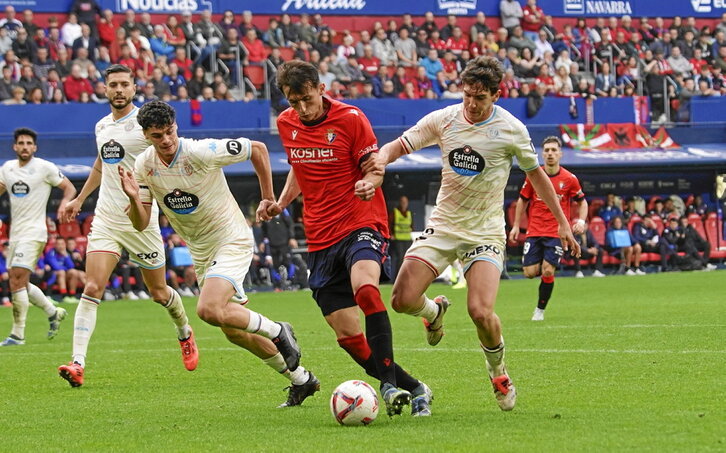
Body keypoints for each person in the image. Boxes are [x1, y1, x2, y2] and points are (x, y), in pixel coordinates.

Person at [370, 56, 580, 411]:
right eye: (467, 94)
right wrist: (380, 159)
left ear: (496, 95)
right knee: (402, 299)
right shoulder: (446, 118)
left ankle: (498, 372)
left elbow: (537, 177)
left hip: (484, 231)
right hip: (445, 225)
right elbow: (402, 144)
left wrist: (562, 221)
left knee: (480, 311)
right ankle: (433, 313)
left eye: (479, 98)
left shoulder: (511, 129)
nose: (471, 103)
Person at [120, 100, 318, 408]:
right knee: (233, 331)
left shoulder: (199, 152)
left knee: (208, 310)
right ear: (146, 135)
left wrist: (267, 197)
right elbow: (141, 221)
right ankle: (302, 380)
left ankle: (279, 330)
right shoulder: (144, 166)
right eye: (158, 136)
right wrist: (134, 199)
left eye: (170, 132)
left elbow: (258, 149)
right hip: (201, 250)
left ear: (176, 127)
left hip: (231, 238)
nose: (167, 140)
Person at [269, 60, 432, 417]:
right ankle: (414, 387)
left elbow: (375, 166)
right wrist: (281, 202)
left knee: (366, 289)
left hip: (362, 221)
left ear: (321, 88)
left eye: (307, 99)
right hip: (320, 237)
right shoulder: (287, 123)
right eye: (293, 101)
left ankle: (387, 386)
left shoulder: (351, 118)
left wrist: (368, 183)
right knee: (347, 336)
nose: (301, 109)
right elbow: (299, 166)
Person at [57, 65, 197, 388]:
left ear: (134, 88)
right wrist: (79, 199)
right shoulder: (102, 125)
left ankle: (184, 332)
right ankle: (78, 363)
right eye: (113, 85)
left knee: (159, 292)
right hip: (106, 218)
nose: (119, 90)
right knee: (93, 287)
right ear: (104, 89)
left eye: (124, 84)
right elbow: (100, 163)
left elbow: (168, 161)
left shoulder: (146, 126)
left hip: (142, 220)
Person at [0, 128, 76, 346]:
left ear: (35, 147)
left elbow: (69, 188)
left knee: (16, 278)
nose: (25, 147)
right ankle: (53, 312)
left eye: (28, 143)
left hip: (35, 232)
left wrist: (63, 204)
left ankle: (17, 334)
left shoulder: (44, 168)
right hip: (15, 234)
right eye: (21, 143)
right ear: (15, 146)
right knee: (20, 281)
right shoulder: (8, 168)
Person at [509, 136, 588, 321]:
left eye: (554, 150)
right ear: (541, 154)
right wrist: (515, 226)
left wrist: (581, 221)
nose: (550, 154)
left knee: (547, 270)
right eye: (547, 150)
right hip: (534, 230)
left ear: (560, 154)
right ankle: (543, 276)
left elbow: (582, 202)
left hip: (556, 232)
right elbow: (522, 200)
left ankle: (539, 310)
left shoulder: (569, 179)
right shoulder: (534, 176)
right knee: (529, 273)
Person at [389, 195, 413, 281]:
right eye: (403, 202)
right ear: (400, 203)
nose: (404, 204)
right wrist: (391, 234)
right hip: (398, 239)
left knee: (408, 259)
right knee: (400, 258)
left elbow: (411, 225)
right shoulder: (395, 212)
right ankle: (398, 279)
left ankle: (407, 278)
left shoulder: (409, 213)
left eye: (405, 202)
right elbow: (390, 223)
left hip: (407, 239)